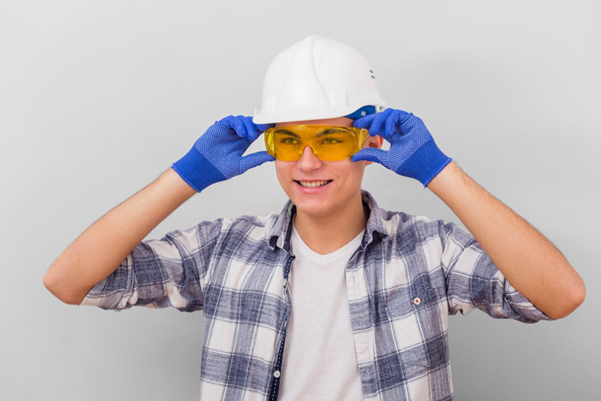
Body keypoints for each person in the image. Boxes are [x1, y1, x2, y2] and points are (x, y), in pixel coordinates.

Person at [44, 34, 585, 401]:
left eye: (330, 139)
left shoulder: (429, 249)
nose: (307, 163)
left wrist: (437, 171)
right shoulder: (222, 249)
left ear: (371, 142)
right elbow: (70, 282)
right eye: (288, 141)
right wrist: (187, 175)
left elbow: (558, 296)